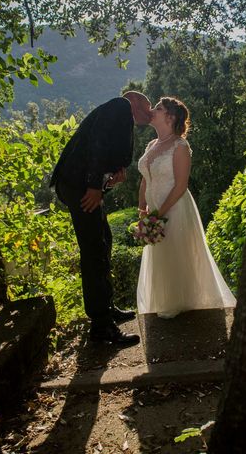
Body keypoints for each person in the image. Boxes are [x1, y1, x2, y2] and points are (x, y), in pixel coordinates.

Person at [50, 91, 152, 346]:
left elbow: (103, 151)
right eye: (148, 106)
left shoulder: (119, 115)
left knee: (104, 240)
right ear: (136, 101)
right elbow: (96, 144)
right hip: (79, 185)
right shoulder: (121, 105)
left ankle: (106, 309)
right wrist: (94, 186)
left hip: (82, 184)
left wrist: (110, 178)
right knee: (94, 250)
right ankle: (101, 327)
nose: (150, 112)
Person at [136, 97, 236, 318]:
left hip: (174, 209)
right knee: (161, 257)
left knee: (177, 255)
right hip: (153, 211)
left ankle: (186, 303)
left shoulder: (180, 146)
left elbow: (181, 185)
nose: (152, 110)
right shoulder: (151, 145)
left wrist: (158, 215)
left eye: (158, 108)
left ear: (170, 117)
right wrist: (142, 207)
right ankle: (165, 301)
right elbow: (145, 179)